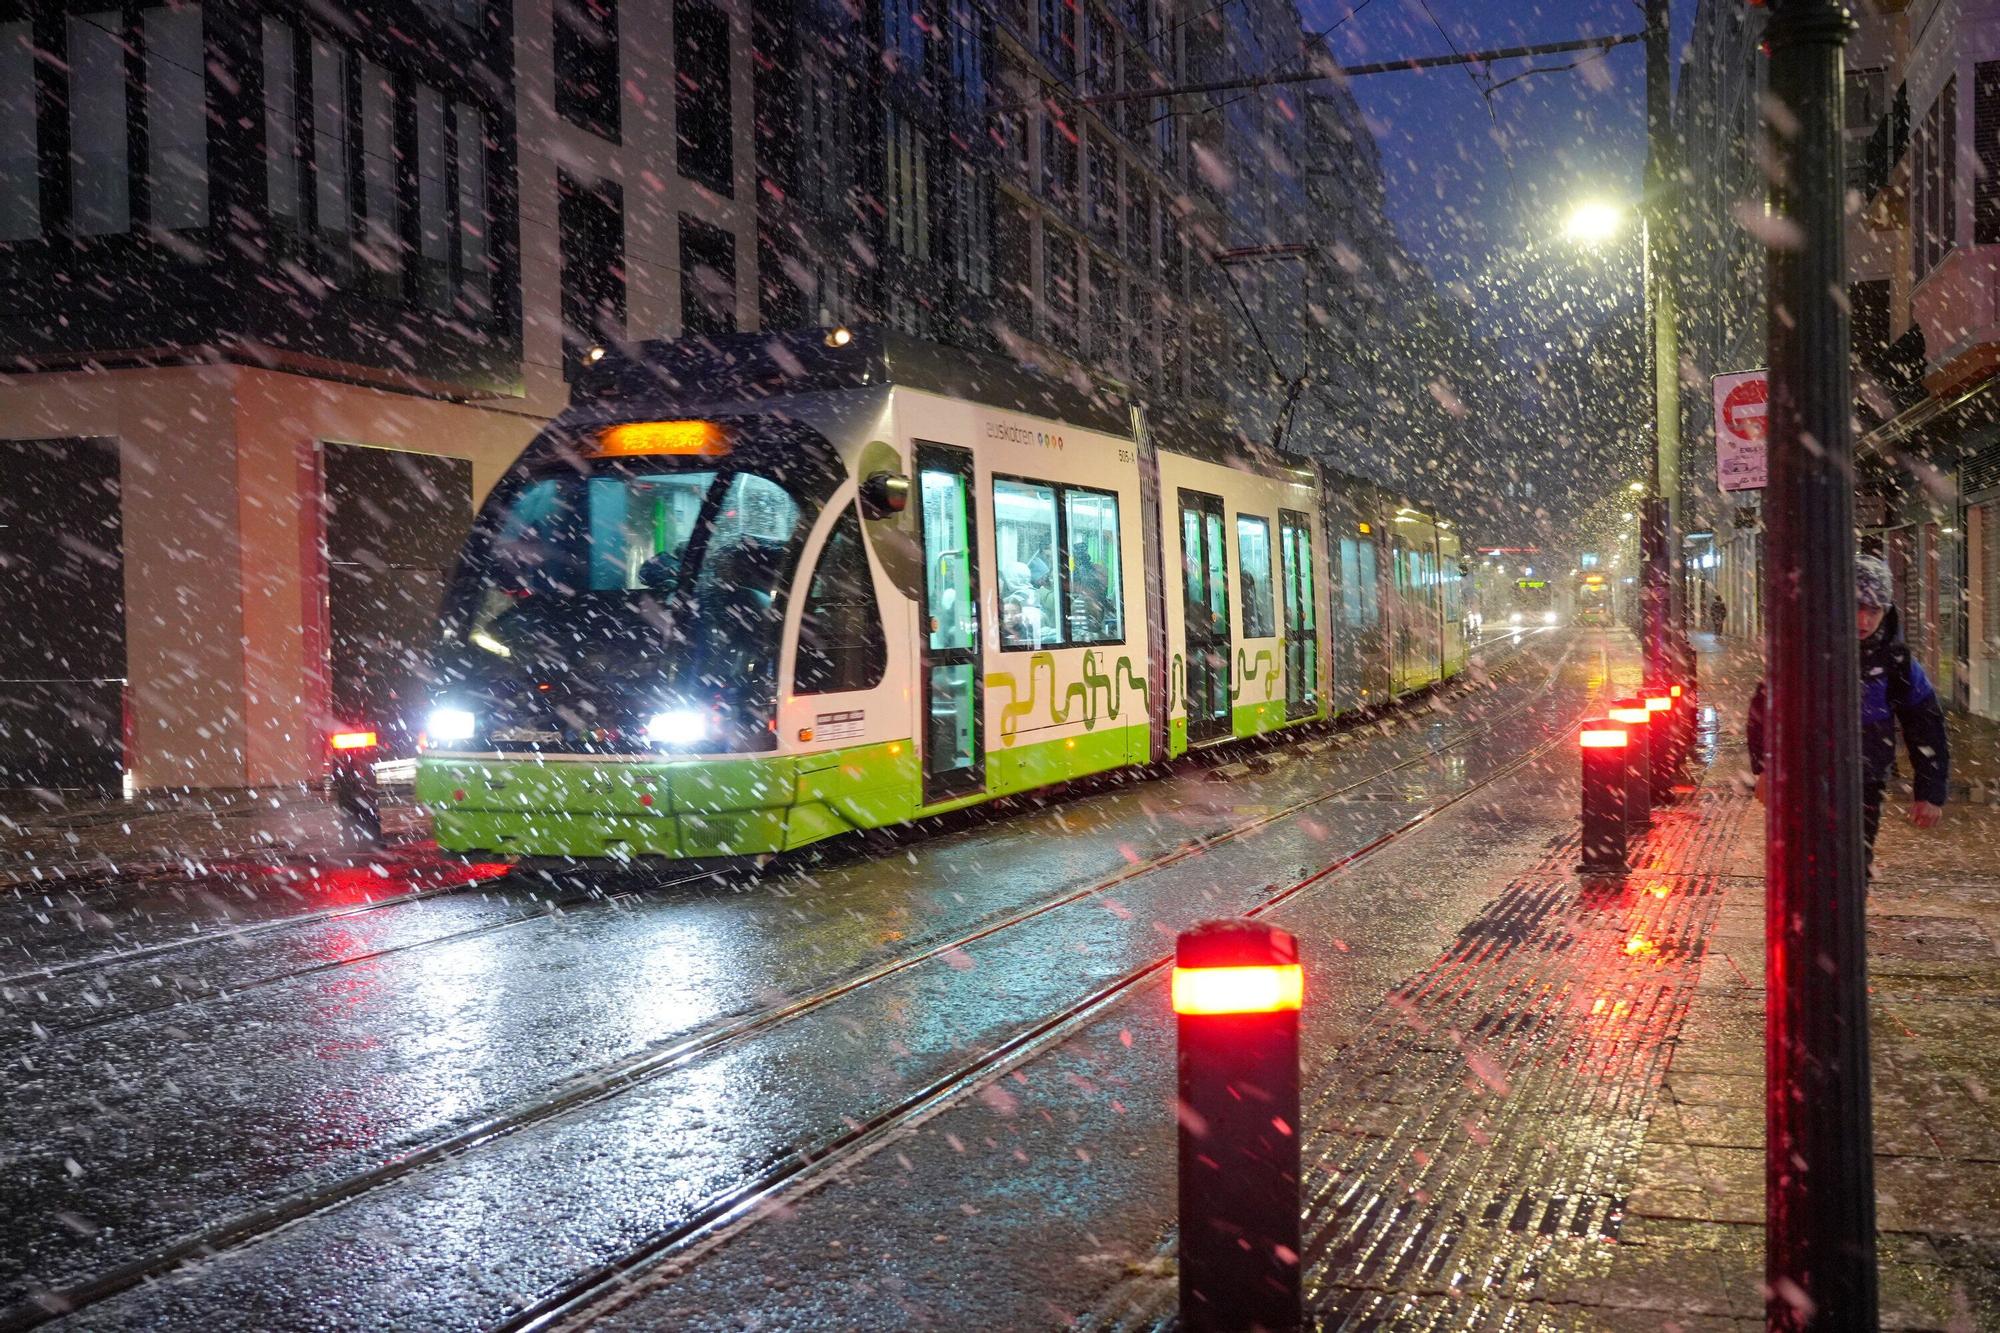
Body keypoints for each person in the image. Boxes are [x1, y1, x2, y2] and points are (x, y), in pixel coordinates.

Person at [1747, 554, 1948, 865]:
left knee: (1855, 868)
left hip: (1865, 782)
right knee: (1806, 868)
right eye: (1856, 608)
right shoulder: (1803, 652)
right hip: (1805, 780)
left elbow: (1926, 726)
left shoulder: (1898, 663)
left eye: (1874, 610)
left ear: (1886, 611)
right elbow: (1764, 711)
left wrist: (1930, 792)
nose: (1864, 621)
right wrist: (1766, 768)